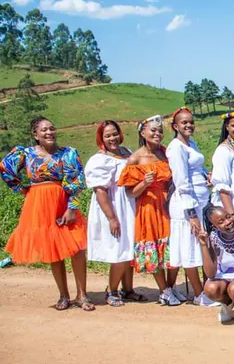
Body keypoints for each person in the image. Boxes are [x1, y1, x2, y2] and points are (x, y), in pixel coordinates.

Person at [1, 116, 93, 311]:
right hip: (39, 205)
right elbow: (5, 168)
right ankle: (63, 295)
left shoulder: (68, 153)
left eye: (52, 128)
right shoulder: (25, 154)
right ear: (35, 135)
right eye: (44, 130)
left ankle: (82, 295)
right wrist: (21, 189)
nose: (49, 132)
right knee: (54, 250)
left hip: (63, 202)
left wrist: (72, 208)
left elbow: (77, 182)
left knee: (77, 248)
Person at [117, 115, 178, 306]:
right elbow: (130, 193)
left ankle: (170, 288)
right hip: (149, 207)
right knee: (155, 249)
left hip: (168, 204)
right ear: (142, 133)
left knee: (173, 246)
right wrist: (144, 183)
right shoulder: (135, 158)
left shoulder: (165, 153)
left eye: (160, 131)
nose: (157, 133)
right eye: (153, 130)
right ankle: (164, 290)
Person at [85, 120, 143, 307]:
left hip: (129, 205)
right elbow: (100, 191)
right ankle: (112, 290)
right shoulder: (100, 160)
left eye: (115, 134)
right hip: (114, 207)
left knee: (129, 249)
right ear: (101, 138)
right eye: (108, 135)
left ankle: (128, 289)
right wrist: (112, 218)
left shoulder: (126, 152)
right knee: (119, 250)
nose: (113, 138)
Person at [166, 107, 209, 305]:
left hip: (200, 201)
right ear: (175, 126)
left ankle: (203, 290)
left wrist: (206, 175)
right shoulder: (176, 148)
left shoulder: (191, 143)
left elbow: (197, 168)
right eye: (184, 122)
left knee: (199, 246)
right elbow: (181, 181)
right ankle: (199, 294)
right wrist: (191, 213)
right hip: (186, 205)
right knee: (190, 248)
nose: (189, 125)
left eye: (191, 122)